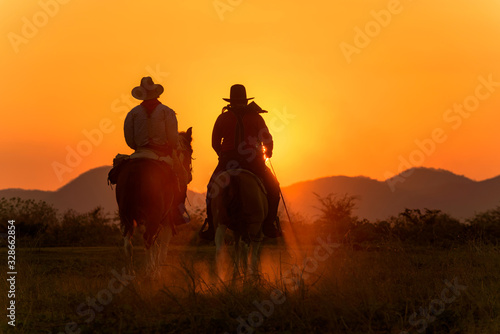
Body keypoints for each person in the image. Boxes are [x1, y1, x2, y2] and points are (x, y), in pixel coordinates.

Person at [200, 84, 281, 240]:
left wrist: (222, 155)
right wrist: (268, 153)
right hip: (253, 161)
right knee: (273, 188)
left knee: (211, 189)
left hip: (227, 161)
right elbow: (267, 140)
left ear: (231, 101)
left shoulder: (223, 117)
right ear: (245, 100)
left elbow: (214, 143)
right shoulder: (256, 118)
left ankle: (211, 226)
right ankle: (269, 224)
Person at [123, 76, 189, 225]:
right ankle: (178, 210)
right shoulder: (167, 112)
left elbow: (129, 140)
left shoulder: (133, 113)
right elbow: (172, 138)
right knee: (181, 176)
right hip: (161, 154)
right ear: (156, 93)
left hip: (139, 152)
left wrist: (139, 147)